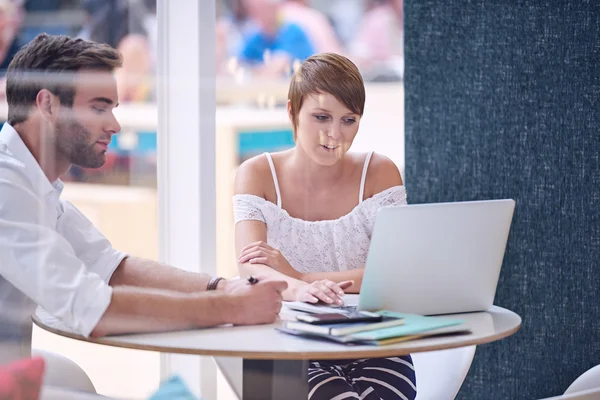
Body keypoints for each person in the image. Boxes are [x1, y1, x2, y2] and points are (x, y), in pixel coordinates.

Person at [0, 33, 286, 364]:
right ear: (47, 104)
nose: (115, 125)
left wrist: (222, 287)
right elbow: (93, 310)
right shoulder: (7, 184)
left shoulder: (34, 184)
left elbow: (111, 267)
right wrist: (233, 307)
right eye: (99, 108)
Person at [233, 53, 416, 399]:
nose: (335, 134)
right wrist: (297, 288)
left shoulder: (379, 172)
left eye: (349, 120)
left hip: (373, 341)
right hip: (285, 341)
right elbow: (251, 268)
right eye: (321, 117)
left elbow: (395, 271)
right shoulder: (257, 174)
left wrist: (302, 278)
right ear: (292, 112)